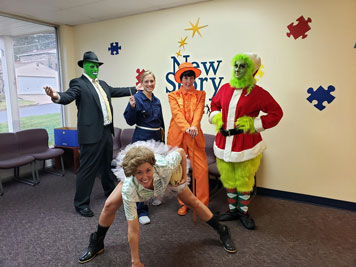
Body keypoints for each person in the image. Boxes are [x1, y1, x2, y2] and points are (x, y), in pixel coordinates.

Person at [78, 142, 236, 265]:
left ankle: (222, 230)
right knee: (109, 205)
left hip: (165, 177)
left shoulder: (165, 166)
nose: (145, 177)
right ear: (132, 173)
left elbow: (180, 152)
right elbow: (133, 228)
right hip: (139, 175)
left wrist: (182, 177)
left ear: (153, 167)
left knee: (193, 202)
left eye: (147, 171)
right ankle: (97, 242)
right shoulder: (129, 187)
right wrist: (135, 262)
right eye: (139, 173)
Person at [43, 51, 138, 217]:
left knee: (106, 165)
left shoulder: (103, 84)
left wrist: (136, 88)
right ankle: (81, 204)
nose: (95, 68)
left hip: (106, 131)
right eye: (92, 65)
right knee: (87, 170)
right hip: (90, 134)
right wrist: (55, 95)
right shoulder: (78, 83)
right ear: (84, 66)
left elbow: (117, 91)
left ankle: (110, 192)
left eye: (97, 66)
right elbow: (67, 96)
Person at [209, 52, 283, 229]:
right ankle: (232, 210)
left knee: (244, 180)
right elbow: (214, 105)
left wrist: (254, 124)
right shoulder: (225, 88)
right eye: (236, 65)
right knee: (228, 179)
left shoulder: (258, 93)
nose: (237, 69)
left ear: (253, 71)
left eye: (243, 66)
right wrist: (217, 117)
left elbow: (276, 113)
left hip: (245, 144)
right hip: (223, 143)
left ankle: (242, 212)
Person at [167, 62, 209, 216]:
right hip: (177, 137)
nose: (188, 81)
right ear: (181, 79)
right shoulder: (172, 95)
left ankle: (202, 204)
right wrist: (186, 127)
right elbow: (176, 114)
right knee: (180, 172)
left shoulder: (201, 94)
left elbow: (199, 112)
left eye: (190, 77)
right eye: (185, 77)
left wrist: (194, 126)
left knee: (202, 170)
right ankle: (183, 203)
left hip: (194, 136)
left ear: (193, 79)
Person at [124, 70, 165, 225]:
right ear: (141, 83)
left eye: (152, 81)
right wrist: (132, 107)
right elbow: (129, 121)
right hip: (141, 138)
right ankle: (141, 210)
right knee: (141, 174)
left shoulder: (157, 101)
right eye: (146, 82)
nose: (149, 84)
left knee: (154, 170)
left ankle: (153, 195)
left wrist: (163, 140)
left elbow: (161, 123)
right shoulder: (136, 99)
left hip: (156, 138)